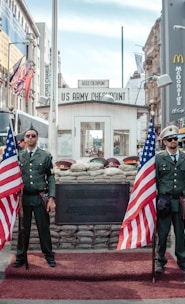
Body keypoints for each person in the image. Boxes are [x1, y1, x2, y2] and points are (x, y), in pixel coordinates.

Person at [13, 125, 56, 268]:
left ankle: (49, 256)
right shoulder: (18, 156)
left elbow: (50, 177)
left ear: (37, 138)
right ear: (24, 139)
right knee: (22, 230)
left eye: (33, 136)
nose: (30, 138)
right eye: (28, 136)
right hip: (24, 198)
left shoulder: (45, 156)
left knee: (43, 228)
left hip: (40, 197)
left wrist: (51, 198)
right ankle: (20, 257)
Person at [155, 125, 185, 273]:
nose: (174, 141)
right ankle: (160, 260)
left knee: (180, 233)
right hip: (164, 202)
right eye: (170, 139)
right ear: (165, 142)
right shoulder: (159, 158)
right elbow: (153, 180)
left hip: (180, 201)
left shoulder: (184, 157)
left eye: (176, 139)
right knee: (163, 232)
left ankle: (182, 260)